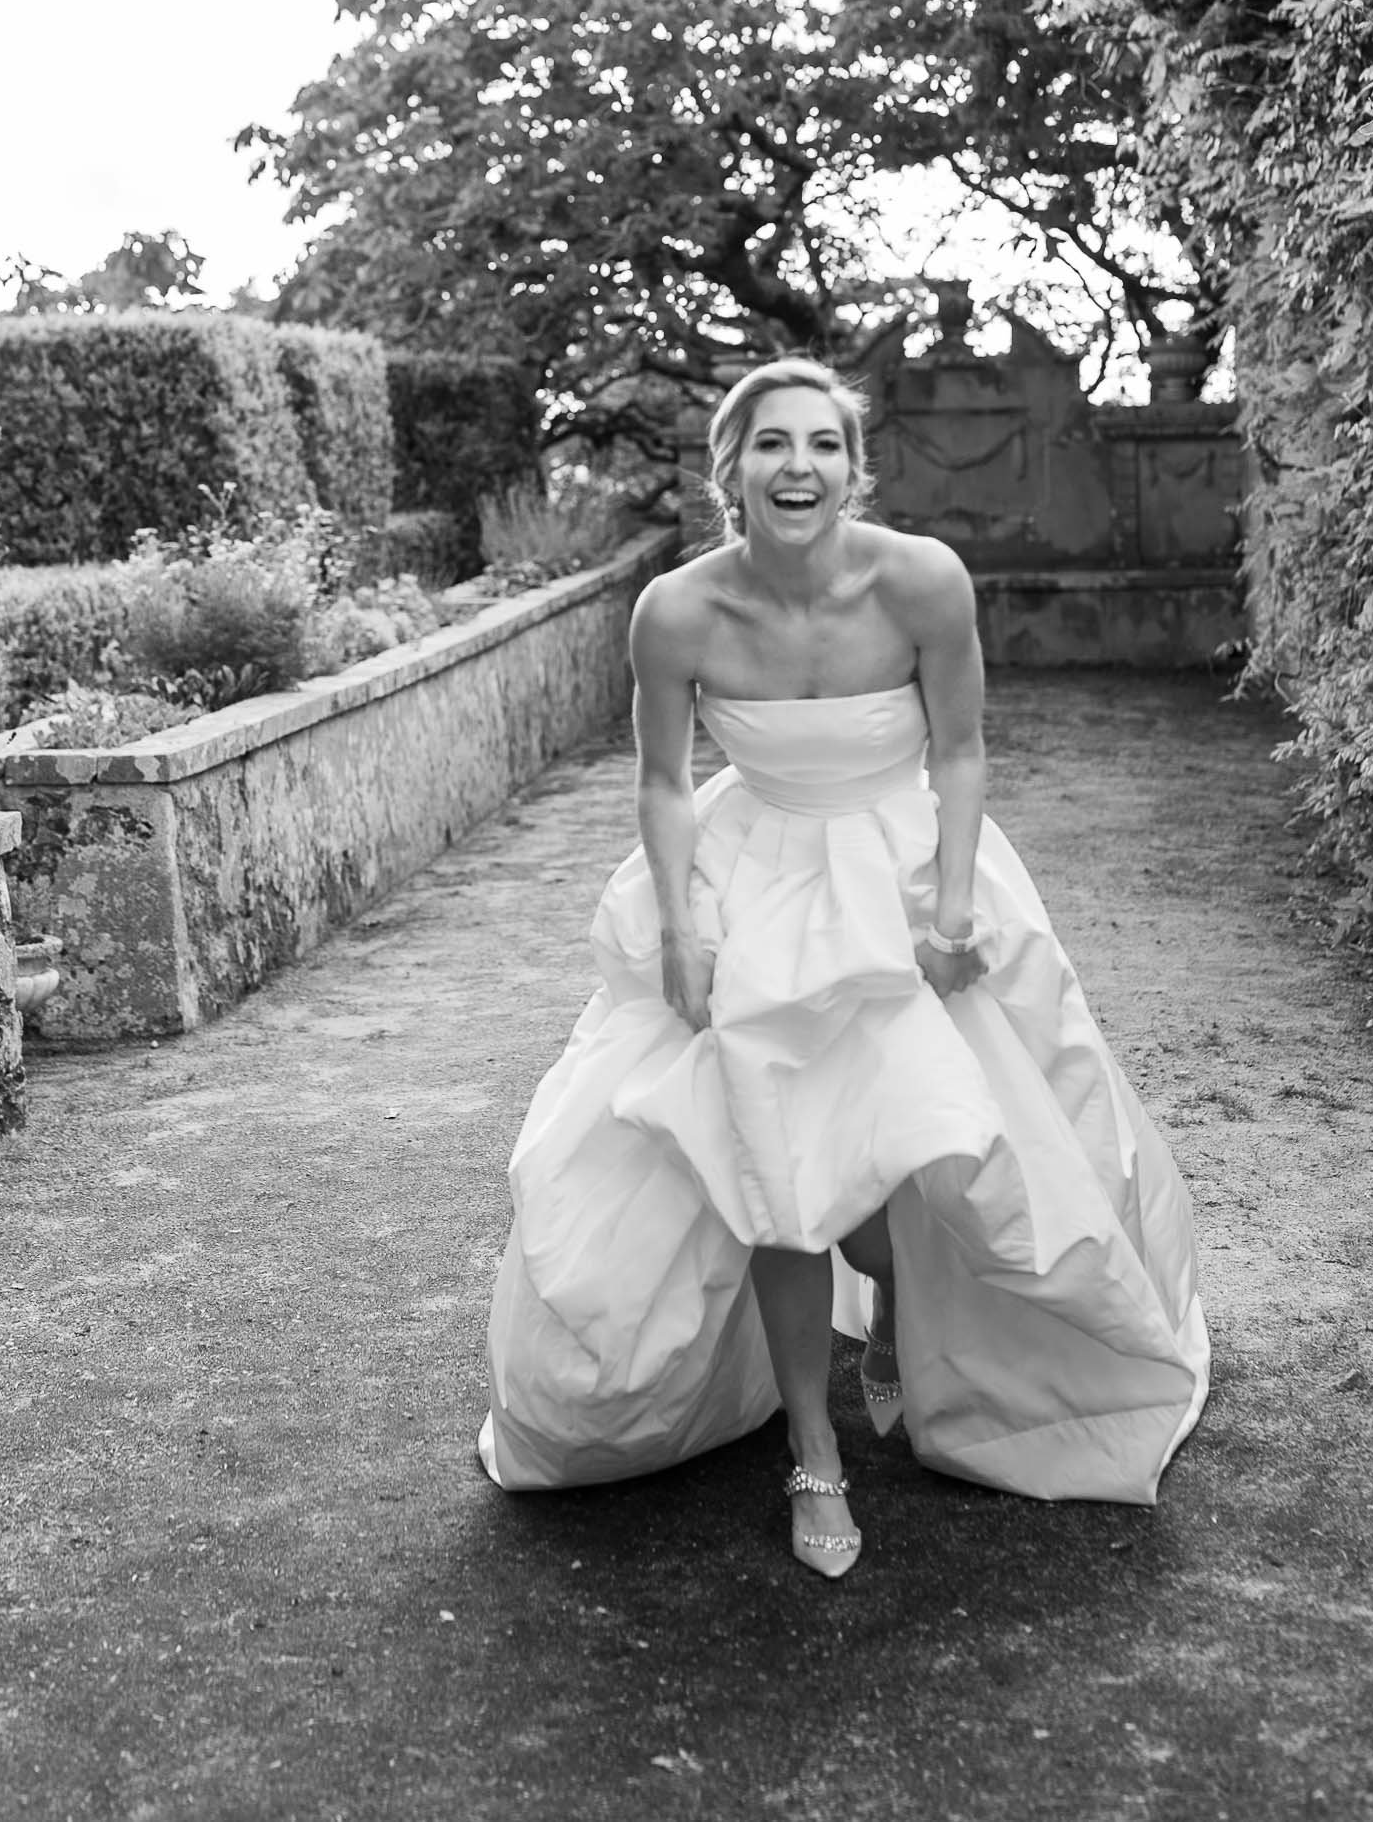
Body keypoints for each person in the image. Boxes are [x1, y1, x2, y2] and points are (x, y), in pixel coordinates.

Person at [478, 358, 1208, 1578]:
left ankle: (886, 1330)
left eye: (821, 445)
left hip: (904, 870)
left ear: (852, 467)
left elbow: (963, 752)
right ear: (731, 469)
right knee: (775, 1169)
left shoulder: (920, 581)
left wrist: (954, 901)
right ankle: (813, 1452)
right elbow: (661, 782)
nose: (797, 467)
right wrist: (677, 927)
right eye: (771, 445)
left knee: (918, 1167)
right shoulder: (675, 611)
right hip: (754, 878)